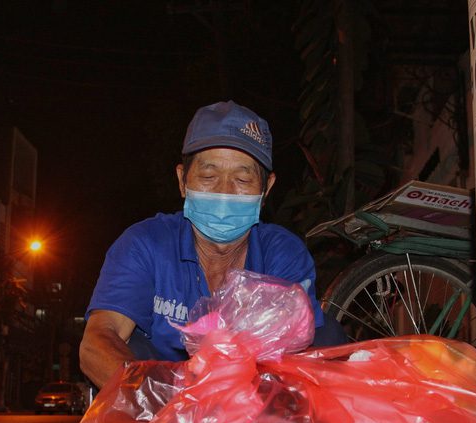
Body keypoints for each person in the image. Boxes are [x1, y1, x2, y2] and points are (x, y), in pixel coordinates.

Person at [80, 100, 344, 389]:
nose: (224, 192)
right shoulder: (145, 244)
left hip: (249, 401)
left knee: (325, 335)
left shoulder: (282, 254)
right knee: (133, 350)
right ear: (182, 180)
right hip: (159, 401)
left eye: (242, 178)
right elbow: (97, 343)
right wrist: (166, 403)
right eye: (208, 176)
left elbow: (285, 358)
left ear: (266, 188)